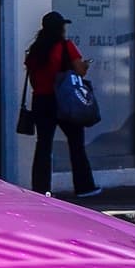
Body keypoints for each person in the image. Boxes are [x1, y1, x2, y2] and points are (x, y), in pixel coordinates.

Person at [23, 11, 99, 198]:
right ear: (59, 28)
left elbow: (32, 79)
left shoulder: (35, 50)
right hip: (64, 100)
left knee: (43, 146)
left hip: (41, 100)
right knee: (76, 145)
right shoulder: (65, 46)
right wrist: (85, 65)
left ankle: (40, 189)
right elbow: (80, 71)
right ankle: (84, 187)